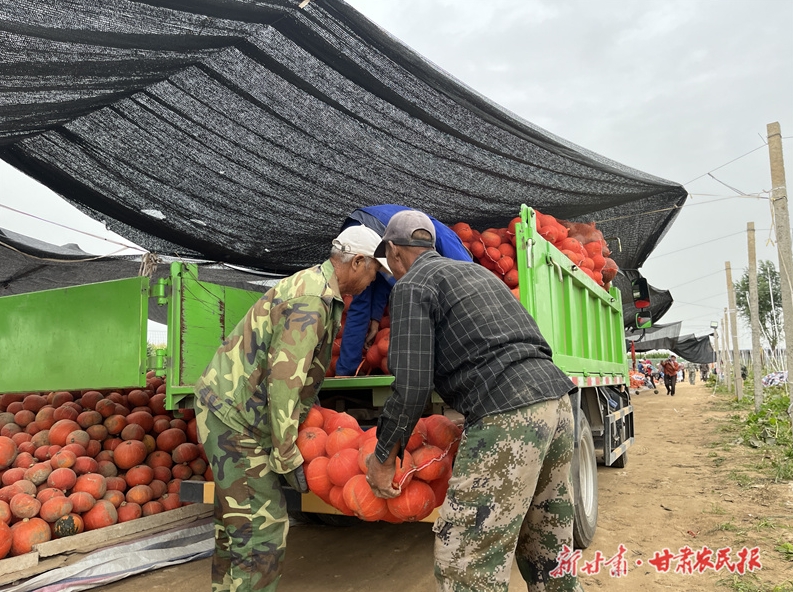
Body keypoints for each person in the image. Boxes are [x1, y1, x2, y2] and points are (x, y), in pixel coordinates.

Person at [364, 210, 584, 592]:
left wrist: (384, 456)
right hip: (556, 403)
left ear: (394, 252)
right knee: (547, 548)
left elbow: (411, 386)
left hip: (509, 413)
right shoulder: (480, 275)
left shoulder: (413, 285)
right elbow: (532, 342)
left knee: (466, 564)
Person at [193, 225, 388, 592]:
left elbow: (297, 378)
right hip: (236, 418)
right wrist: (287, 456)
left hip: (232, 410)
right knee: (261, 532)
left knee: (236, 524)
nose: (373, 279)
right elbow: (284, 384)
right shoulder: (311, 301)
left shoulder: (318, 290)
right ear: (358, 261)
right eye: (374, 270)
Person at [335, 204, 472, 377]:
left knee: (362, 294)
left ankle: (345, 371)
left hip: (356, 223)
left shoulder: (428, 235)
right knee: (411, 291)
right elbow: (467, 278)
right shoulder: (449, 242)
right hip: (374, 227)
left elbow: (382, 277)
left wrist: (375, 317)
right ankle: (416, 365)